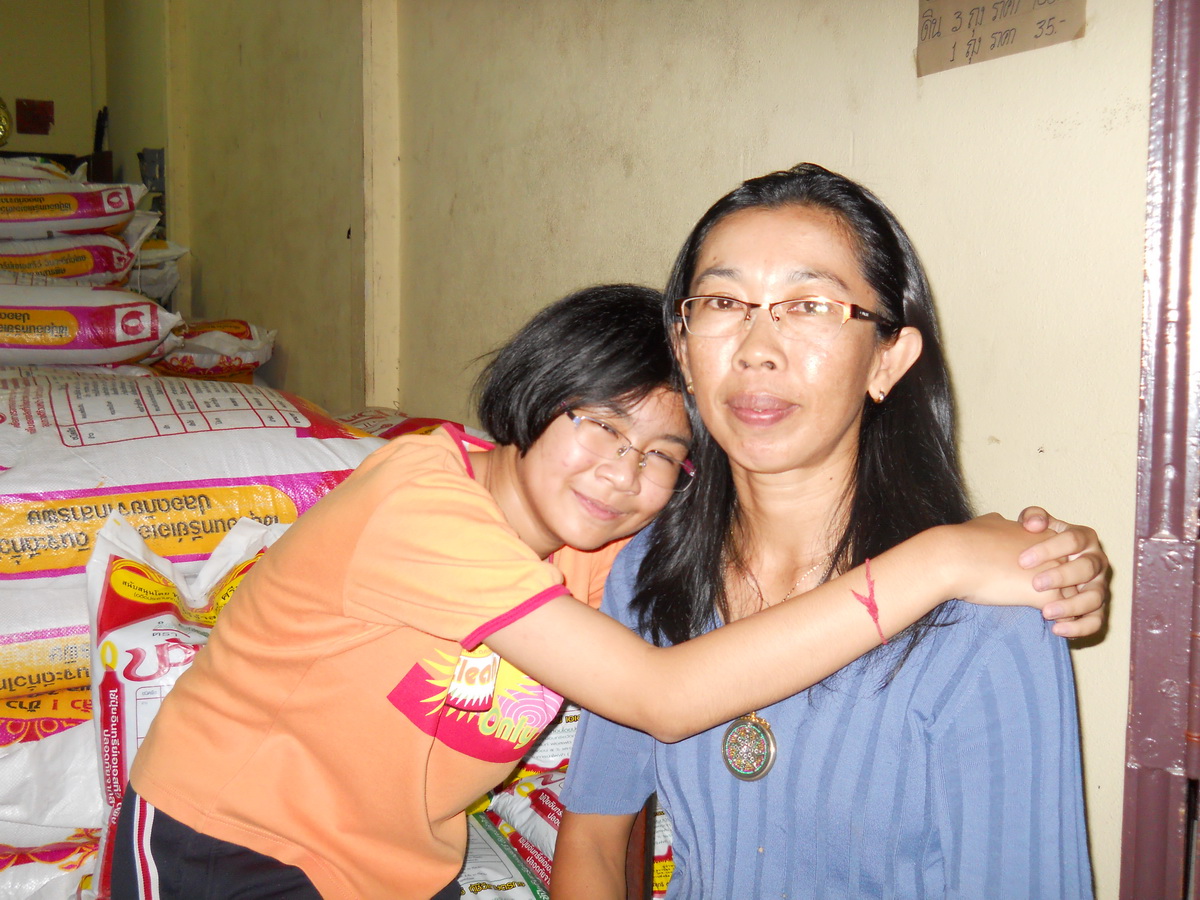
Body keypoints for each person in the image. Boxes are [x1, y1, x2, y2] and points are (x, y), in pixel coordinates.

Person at [110, 283, 1104, 900]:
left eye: (663, 454)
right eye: (599, 425)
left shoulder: (610, 547)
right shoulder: (421, 507)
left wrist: (1042, 554)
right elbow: (659, 697)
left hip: (395, 872)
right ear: (539, 393)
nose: (621, 474)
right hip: (230, 845)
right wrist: (940, 559)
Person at [553, 165, 1101, 899]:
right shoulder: (654, 568)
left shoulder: (991, 624)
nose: (757, 348)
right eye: (723, 302)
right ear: (683, 351)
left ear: (887, 359)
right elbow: (593, 837)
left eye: (810, 305)